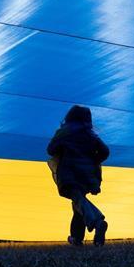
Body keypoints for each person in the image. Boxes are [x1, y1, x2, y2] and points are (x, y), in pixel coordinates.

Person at [47, 105, 109, 247]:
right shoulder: (91, 135)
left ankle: (97, 221)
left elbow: (50, 150)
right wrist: (93, 161)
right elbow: (105, 152)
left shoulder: (64, 133)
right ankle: (77, 238)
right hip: (87, 176)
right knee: (78, 204)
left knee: (78, 199)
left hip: (69, 174)